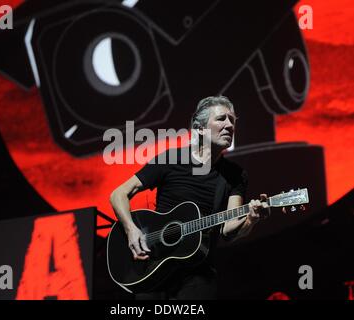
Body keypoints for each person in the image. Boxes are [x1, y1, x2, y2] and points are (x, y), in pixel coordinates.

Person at [109, 96, 270, 299]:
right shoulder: (171, 159)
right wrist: (131, 230)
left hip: (197, 273)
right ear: (200, 128)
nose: (229, 125)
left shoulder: (235, 175)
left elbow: (229, 230)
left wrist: (251, 218)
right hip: (152, 264)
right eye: (221, 119)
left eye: (232, 120)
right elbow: (118, 194)